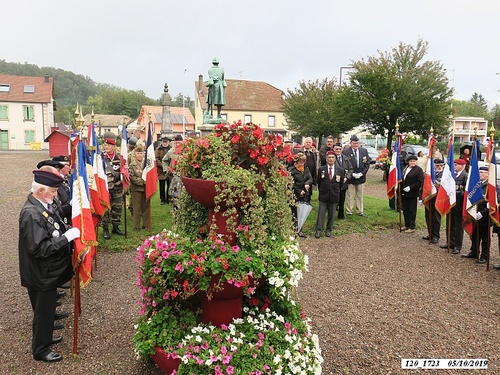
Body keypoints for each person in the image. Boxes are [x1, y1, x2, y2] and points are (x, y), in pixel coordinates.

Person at [19, 169, 80, 363]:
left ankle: (44, 337)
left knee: (45, 312)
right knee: (43, 313)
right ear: (41, 190)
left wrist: (65, 230)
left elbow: (52, 225)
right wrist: (65, 238)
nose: (56, 195)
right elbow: (40, 249)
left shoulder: (41, 206)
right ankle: (41, 349)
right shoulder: (31, 214)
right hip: (40, 274)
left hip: (45, 272)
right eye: (53, 191)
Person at [462, 166, 492, 264]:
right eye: (479, 172)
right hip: (474, 212)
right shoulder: (476, 184)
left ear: (488, 174)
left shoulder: (490, 186)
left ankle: (484, 255)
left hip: (484, 215)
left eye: (483, 172)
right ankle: (474, 251)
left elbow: (491, 202)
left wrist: (482, 213)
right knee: (475, 234)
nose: (480, 174)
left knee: (484, 236)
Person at [440, 159, 468, 254]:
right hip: (450, 203)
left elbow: (467, 192)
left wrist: (458, 192)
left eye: (456, 165)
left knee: (458, 226)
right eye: (454, 164)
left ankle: (457, 245)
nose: (454, 166)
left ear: (463, 166)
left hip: (459, 205)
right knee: (450, 224)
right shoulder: (451, 174)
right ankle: (450, 242)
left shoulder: (465, 176)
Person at [314, 151, 344, 238]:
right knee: (321, 213)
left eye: (332, 157)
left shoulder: (340, 170)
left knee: (332, 213)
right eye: (329, 157)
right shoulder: (321, 169)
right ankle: (318, 230)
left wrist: (335, 190)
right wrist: (322, 190)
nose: (331, 159)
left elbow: (341, 184)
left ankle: (328, 229)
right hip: (324, 194)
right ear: (326, 159)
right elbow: (319, 182)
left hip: (334, 194)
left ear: (335, 159)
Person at [101, 135, 124, 239]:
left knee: (117, 207)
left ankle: (115, 227)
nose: (107, 147)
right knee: (106, 209)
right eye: (106, 145)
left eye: (109, 145)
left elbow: (124, 171)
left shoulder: (120, 157)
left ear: (114, 146)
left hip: (117, 187)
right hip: (105, 188)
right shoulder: (100, 157)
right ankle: (105, 228)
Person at [343, 135, 371, 216]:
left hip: (361, 176)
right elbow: (345, 164)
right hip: (351, 177)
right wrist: (351, 174)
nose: (356, 145)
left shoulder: (364, 151)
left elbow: (367, 163)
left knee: (360, 194)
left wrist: (362, 173)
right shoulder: (346, 152)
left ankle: (360, 211)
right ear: (351, 143)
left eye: (357, 143)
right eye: (354, 143)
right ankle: (349, 211)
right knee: (350, 195)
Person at [288, 152, 313, 238]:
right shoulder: (291, 170)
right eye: (300, 161)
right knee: (294, 213)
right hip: (295, 194)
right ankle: (294, 230)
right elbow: (290, 183)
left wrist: (307, 183)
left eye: (303, 161)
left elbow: (310, 178)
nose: (302, 163)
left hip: (305, 193)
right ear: (296, 161)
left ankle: (300, 230)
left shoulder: (306, 169)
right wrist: (299, 191)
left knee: (302, 212)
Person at [128, 146, 151, 231]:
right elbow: (132, 177)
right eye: (138, 153)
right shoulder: (132, 165)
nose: (140, 155)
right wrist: (143, 182)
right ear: (134, 154)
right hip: (136, 189)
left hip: (145, 189)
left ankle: (146, 224)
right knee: (136, 208)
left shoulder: (147, 165)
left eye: (141, 153)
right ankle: (136, 226)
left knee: (145, 207)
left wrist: (147, 183)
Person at [400, 155, 424, 233]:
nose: (412, 162)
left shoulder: (419, 170)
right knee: (405, 209)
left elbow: (420, 182)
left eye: (414, 161)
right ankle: (406, 225)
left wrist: (410, 187)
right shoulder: (405, 168)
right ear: (408, 162)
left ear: (416, 161)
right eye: (411, 161)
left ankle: (412, 226)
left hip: (412, 193)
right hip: (404, 192)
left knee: (412, 210)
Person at [422, 159, 444, 243]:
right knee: (428, 216)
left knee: (436, 218)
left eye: (441, 165)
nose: (439, 167)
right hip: (429, 197)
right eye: (437, 165)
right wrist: (422, 198)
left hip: (439, 198)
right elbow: (423, 185)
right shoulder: (428, 173)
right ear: (433, 165)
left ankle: (436, 235)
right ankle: (430, 233)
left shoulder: (445, 174)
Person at [296, 137, 319, 202]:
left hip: (311, 175)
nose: (308, 144)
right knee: (302, 191)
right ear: (304, 143)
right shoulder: (299, 152)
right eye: (307, 142)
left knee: (309, 191)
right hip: (302, 175)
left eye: (309, 142)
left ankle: (307, 204)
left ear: (312, 143)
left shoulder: (315, 153)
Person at [333, 142, 349, 219]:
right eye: (336, 149)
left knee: (342, 199)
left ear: (342, 149)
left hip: (344, 182)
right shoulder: (331, 157)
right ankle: (331, 214)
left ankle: (341, 214)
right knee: (334, 199)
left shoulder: (345, 158)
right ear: (333, 149)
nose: (338, 150)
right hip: (335, 182)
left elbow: (351, 169)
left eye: (339, 149)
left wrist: (347, 177)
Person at [155, 136, 171, 205]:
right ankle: (162, 199)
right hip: (161, 171)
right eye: (163, 142)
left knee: (169, 185)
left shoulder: (171, 149)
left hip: (169, 170)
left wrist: (169, 167)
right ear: (161, 142)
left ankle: (168, 199)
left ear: (169, 142)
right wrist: (163, 166)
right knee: (162, 186)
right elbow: (156, 159)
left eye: (166, 142)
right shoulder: (158, 149)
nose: (165, 143)